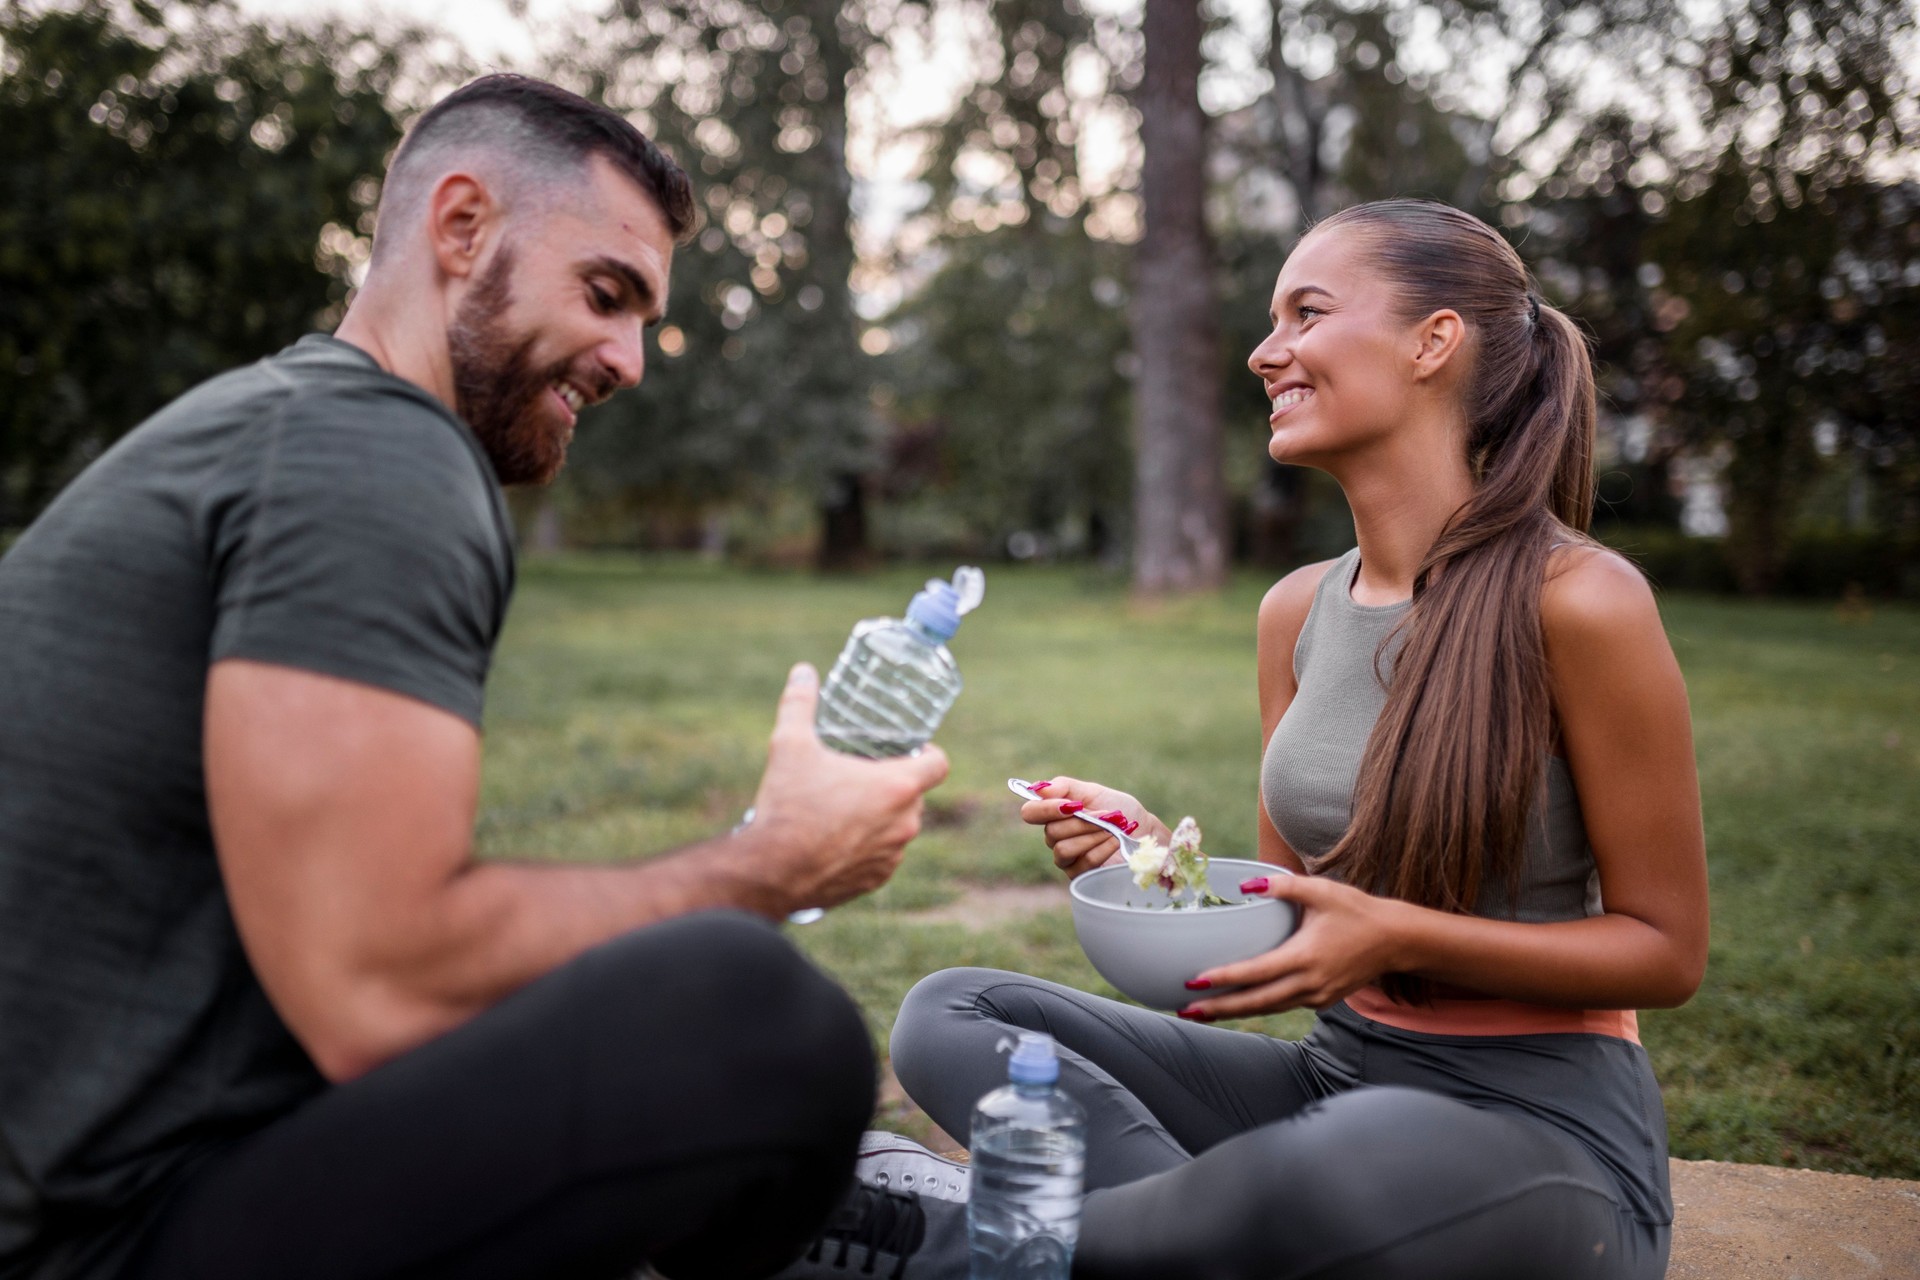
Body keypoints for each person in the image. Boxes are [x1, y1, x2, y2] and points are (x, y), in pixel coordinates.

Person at [0, 74, 950, 1280]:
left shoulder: (279, 417)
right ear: (461, 228)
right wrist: (769, 866)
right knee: (759, 1022)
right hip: (106, 1235)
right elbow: (378, 981)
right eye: (608, 296)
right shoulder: (377, 451)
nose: (631, 361)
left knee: (629, 976)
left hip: (117, 1170)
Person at [788, 200, 1710, 1280]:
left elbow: (1666, 948)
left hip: (1541, 1130)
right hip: (1339, 1078)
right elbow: (1289, 916)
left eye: (1305, 313)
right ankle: (1163, 1237)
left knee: (1336, 1163)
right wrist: (1154, 860)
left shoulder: (1582, 601)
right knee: (955, 1010)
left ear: (1434, 340)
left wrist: (1397, 935)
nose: (1265, 351)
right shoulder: (1293, 612)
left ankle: (952, 1237)